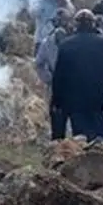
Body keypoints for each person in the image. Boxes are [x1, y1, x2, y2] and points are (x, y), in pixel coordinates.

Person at [51, 10, 103, 141]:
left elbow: (59, 79)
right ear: (94, 24)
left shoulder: (66, 46)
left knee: (82, 142)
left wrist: (58, 102)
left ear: (76, 25)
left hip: (77, 105)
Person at [35, 8, 73, 139]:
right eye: (59, 21)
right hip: (56, 86)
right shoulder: (47, 43)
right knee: (57, 120)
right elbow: (39, 63)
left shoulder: (76, 40)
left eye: (65, 21)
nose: (63, 24)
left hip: (76, 83)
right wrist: (49, 78)